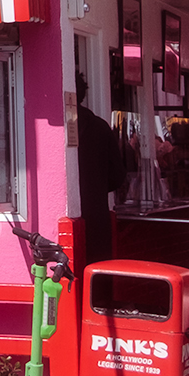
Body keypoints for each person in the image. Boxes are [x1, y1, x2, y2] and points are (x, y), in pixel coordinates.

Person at [74, 71, 120, 271]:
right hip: (97, 212)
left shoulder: (53, 129)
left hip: (66, 213)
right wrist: (97, 186)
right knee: (98, 272)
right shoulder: (101, 127)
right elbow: (118, 175)